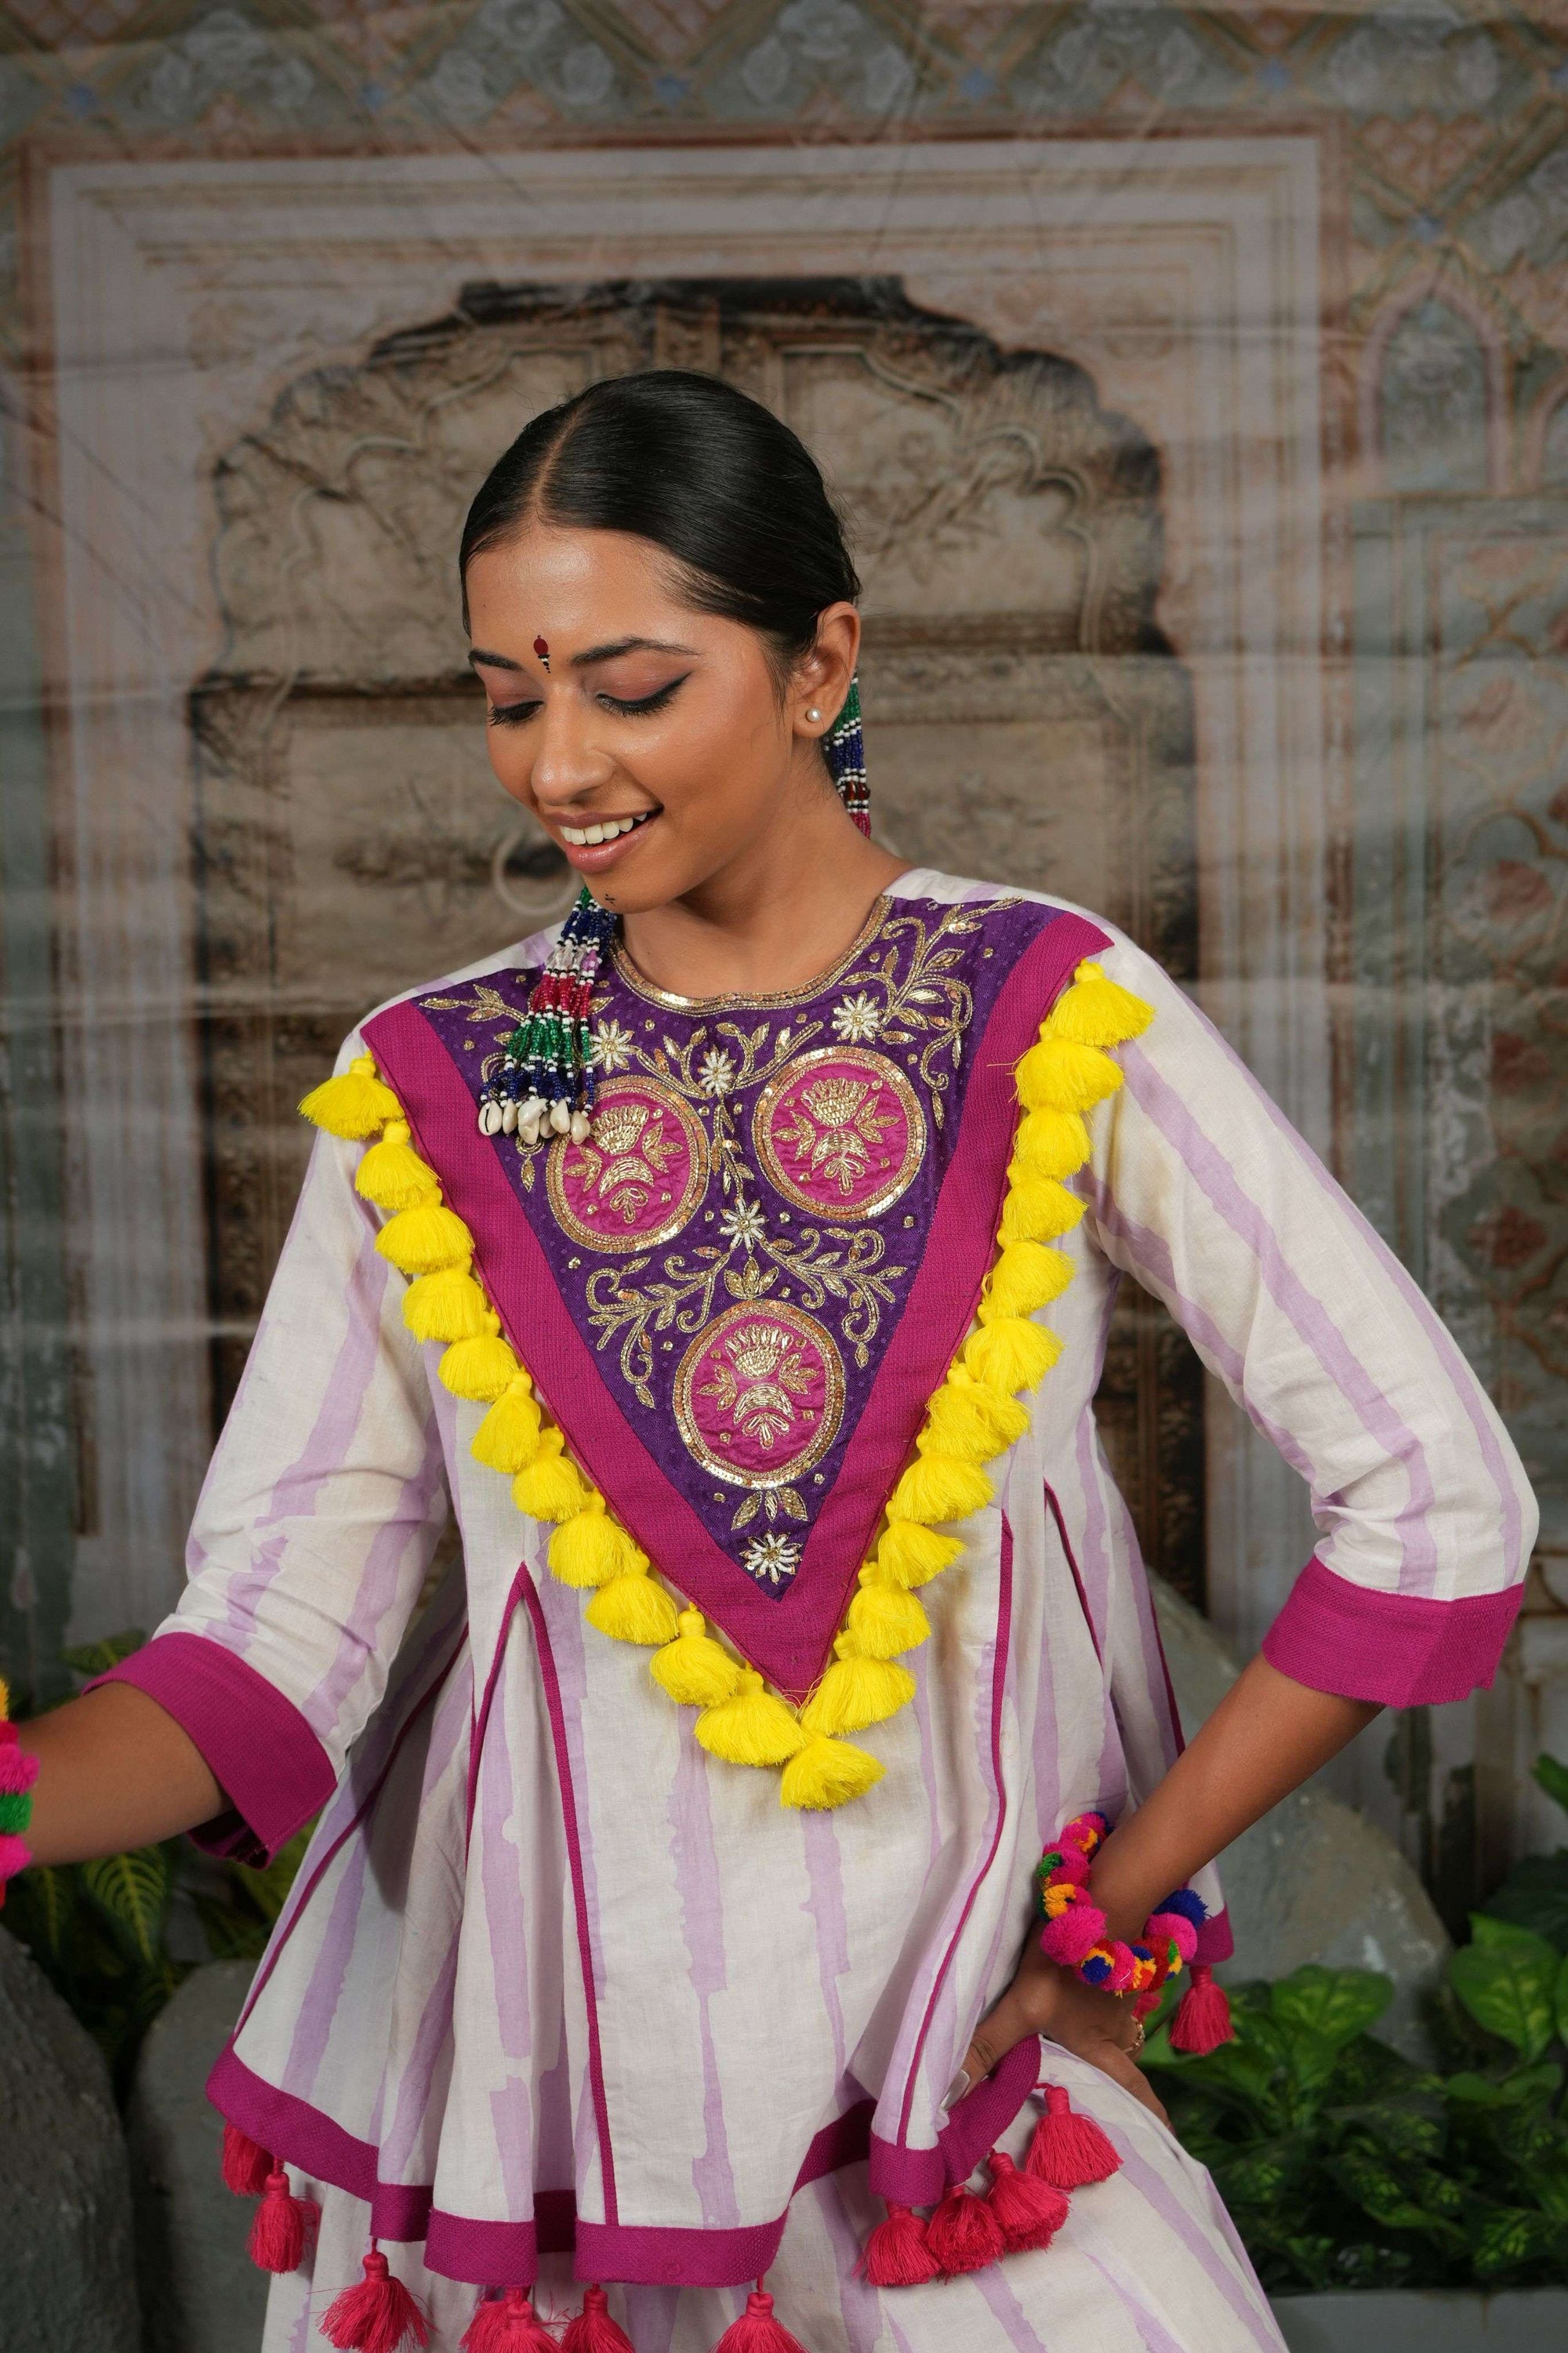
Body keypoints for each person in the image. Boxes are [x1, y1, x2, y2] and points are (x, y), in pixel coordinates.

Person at [13, 372, 1534, 2353]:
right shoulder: (437, 1086)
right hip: (544, 2152)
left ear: (820, 664)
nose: (559, 763)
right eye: (506, 698)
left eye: (631, 686)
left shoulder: (1044, 1010)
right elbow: (277, 1634)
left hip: (961, 2104)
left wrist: (1105, 1922)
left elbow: (1434, 1498)